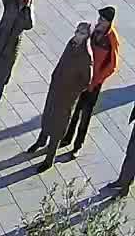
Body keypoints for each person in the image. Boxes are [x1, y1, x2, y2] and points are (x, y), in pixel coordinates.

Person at [32, 23, 98, 172]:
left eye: (82, 33)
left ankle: (49, 159)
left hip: (67, 95)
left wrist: (71, 92)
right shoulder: (71, 43)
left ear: (87, 36)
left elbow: (86, 81)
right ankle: (41, 140)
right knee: (48, 115)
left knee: (58, 125)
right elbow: (62, 61)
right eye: (77, 31)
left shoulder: (86, 55)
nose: (77, 34)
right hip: (56, 89)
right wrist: (54, 76)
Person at [61, 6, 119, 152]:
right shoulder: (93, 31)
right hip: (82, 79)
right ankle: (67, 138)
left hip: (94, 84)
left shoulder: (111, 39)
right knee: (75, 111)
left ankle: (78, 145)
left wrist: (96, 80)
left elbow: (112, 66)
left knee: (85, 115)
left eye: (102, 19)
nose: (99, 21)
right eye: (99, 18)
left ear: (109, 22)